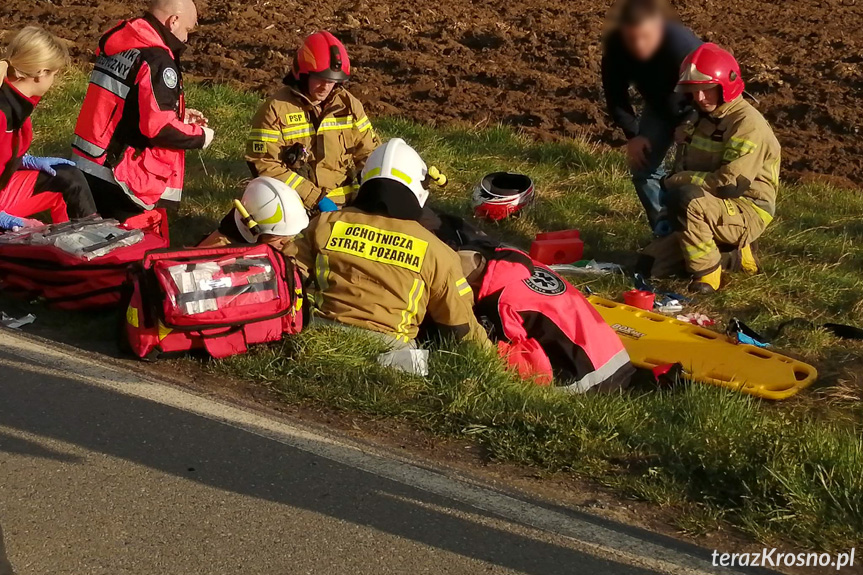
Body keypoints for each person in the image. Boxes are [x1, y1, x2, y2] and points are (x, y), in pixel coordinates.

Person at [286, 138, 489, 349]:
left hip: (319, 336)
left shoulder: (324, 224)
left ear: (364, 182)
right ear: (419, 190)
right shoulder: (437, 252)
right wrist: (494, 362)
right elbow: (461, 328)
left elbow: (287, 273)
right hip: (391, 353)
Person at [71, 0, 214, 222]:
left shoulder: (123, 44)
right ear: (173, 20)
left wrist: (179, 115)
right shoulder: (158, 60)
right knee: (125, 249)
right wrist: (201, 136)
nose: (186, 39)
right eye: (187, 30)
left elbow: (123, 100)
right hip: (117, 176)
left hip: (86, 161)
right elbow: (159, 128)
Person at [662, 43, 779, 293]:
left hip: (746, 207)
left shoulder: (747, 125)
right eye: (694, 92)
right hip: (710, 203)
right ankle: (735, 256)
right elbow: (682, 165)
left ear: (726, 86)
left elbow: (729, 184)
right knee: (650, 265)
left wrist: (678, 181)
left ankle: (708, 273)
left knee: (686, 199)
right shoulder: (698, 118)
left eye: (707, 90)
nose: (700, 98)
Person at [246, 31, 380, 213]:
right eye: (320, 79)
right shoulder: (276, 109)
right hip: (293, 208)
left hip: (346, 208)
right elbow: (264, 164)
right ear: (302, 74)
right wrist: (315, 199)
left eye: (332, 81)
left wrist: (375, 191)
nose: (326, 86)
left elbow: (370, 154)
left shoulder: (350, 106)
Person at [601, 0, 701, 236]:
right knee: (643, 170)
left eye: (645, 37)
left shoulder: (682, 46)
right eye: (631, 38)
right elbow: (615, 96)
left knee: (691, 178)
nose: (638, 45)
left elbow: (710, 89)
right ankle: (664, 232)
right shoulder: (616, 51)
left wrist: (691, 123)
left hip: (696, 108)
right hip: (658, 107)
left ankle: (696, 236)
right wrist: (633, 135)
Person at [0, 27, 97, 229]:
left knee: (66, 176)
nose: (54, 80)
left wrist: (23, 160)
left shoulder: (16, 103)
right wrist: (5, 220)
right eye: (54, 73)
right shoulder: (3, 113)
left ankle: (87, 242)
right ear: (41, 73)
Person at [198, 176, 309, 248]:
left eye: (291, 236)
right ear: (251, 230)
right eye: (278, 237)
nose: (286, 242)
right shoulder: (214, 251)